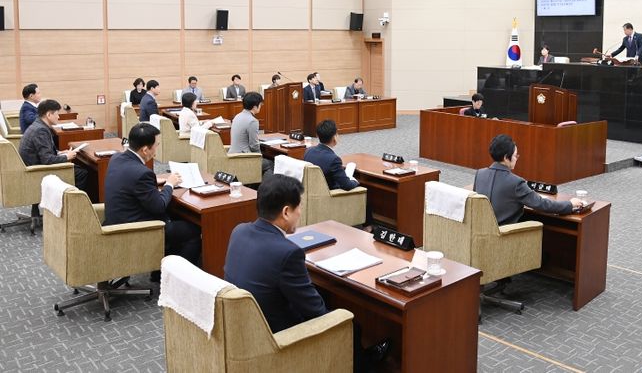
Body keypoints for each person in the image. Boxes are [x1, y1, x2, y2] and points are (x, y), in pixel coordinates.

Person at [224, 174, 389, 372]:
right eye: (299, 207)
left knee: (325, 294)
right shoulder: (287, 253)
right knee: (350, 324)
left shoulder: (239, 231)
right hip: (278, 337)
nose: (300, 213)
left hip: (249, 327)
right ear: (286, 212)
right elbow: (316, 312)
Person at [103, 123, 202, 275]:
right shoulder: (142, 173)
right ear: (145, 150)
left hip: (115, 222)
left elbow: (130, 180)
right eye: (156, 145)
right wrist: (169, 184)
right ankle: (176, 277)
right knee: (193, 231)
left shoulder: (116, 158)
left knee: (177, 217)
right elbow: (159, 206)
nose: (157, 149)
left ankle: (158, 272)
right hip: (135, 230)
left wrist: (153, 181)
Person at [473, 134, 584, 226]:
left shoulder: (480, 174)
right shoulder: (516, 183)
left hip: (481, 232)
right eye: (515, 156)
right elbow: (541, 204)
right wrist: (570, 204)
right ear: (506, 157)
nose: (516, 159)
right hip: (503, 236)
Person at [19, 99, 88, 193]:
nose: (58, 117)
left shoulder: (38, 125)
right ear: (48, 115)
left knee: (77, 168)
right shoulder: (41, 131)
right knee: (82, 173)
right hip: (39, 171)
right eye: (56, 114)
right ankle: (73, 200)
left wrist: (60, 153)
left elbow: (43, 151)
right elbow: (47, 160)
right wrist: (67, 157)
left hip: (35, 165)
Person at [304, 120, 359, 191]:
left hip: (312, 190)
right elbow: (347, 185)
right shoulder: (334, 159)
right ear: (334, 137)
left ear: (318, 135)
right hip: (330, 194)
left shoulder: (309, 151)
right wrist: (355, 181)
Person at [230, 92, 273, 175]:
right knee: (272, 163)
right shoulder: (252, 121)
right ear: (254, 107)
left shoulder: (237, 116)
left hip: (232, 155)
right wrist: (260, 157)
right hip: (244, 158)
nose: (260, 107)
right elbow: (254, 146)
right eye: (260, 105)